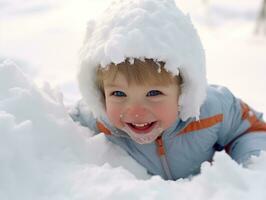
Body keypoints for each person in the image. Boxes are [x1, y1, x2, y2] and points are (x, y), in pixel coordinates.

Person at [70, 0, 266, 180]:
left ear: (183, 90)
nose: (136, 112)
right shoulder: (95, 120)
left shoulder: (213, 111)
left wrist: (251, 170)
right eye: (119, 94)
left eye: (154, 93)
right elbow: (54, 132)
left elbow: (250, 129)